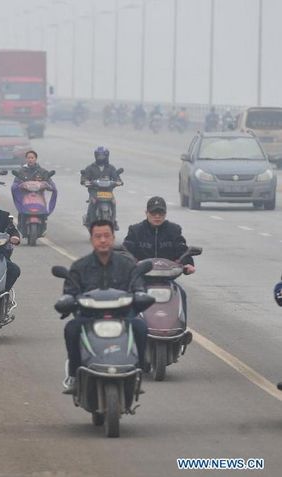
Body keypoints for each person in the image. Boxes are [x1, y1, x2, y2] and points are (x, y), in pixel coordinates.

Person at [60, 220, 148, 394]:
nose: (102, 240)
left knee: (141, 327)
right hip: (88, 317)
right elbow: (70, 290)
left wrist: (141, 294)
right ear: (92, 239)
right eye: (98, 236)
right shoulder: (80, 266)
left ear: (113, 238)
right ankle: (74, 374)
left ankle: (139, 370)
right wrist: (67, 300)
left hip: (122, 316)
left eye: (107, 236)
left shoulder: (127, 265)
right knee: (71, 329)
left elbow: (138, 285)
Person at [122, 196, 195, 320]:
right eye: (153, 213)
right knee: (128, 296)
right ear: (146, 213)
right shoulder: (135, 230)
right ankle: (130, 326)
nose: (157, 216)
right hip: (142, 278)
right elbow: (126, 251)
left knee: (181, 293)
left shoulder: (174, 230)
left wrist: (188, 264)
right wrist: (129, 264)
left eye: (160, 213)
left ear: (165, 214)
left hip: (166, 279)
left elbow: (182, 250)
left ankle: (181, 328)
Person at [11, 150, 57, 234]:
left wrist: (51, 187)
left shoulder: (42, 171)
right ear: (26, 159)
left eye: (32, 158)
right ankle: (21, 223)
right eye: (28, 158)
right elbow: (16, 182)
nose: (30, 160)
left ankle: (44, 223)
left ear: (36, 159)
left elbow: (49, 181)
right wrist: (17, 186)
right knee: (21, 211)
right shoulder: (21, 171)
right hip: (25, 197)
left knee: (43, 211)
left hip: (39, 196)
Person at [80, 146, 122, 230]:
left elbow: (116, 177)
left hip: (108, 191)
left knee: (113, 203)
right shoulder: (90, 167)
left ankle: (113, 221)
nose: (101, 158)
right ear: (96, 156)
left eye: (103, 156)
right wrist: (85, 181)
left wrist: (118, 181)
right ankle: (89, 220)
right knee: (92, 201)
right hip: (94, 191)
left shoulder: (111, 168)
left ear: (107, 156)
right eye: (99, 156)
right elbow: (85, 177)